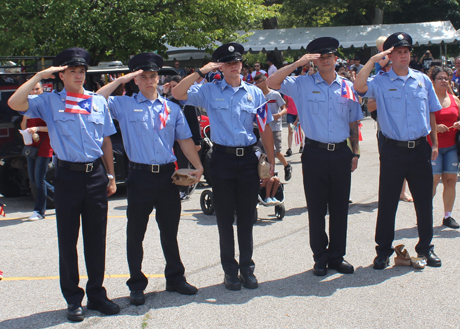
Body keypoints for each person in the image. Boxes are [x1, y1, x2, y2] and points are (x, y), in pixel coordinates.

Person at [8, 47, 119, 322]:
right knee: (68, 240)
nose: (79, 76)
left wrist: (111, 175)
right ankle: (73, 299)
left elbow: (106, 140)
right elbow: (14, 102)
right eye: (73, 71)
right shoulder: (48, 101)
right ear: (61, 75)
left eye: (82, 71)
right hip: (67, 175)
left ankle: (97, 294)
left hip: (95, 175)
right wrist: (40, 75)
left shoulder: (97, 102)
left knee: (96, 239)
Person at [96, 53, 203, 305]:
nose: (149, 81)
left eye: (152, 76)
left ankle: (175, 278)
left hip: (167, 177)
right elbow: (95, 98)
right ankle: (136, 284)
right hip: (139, 176)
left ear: (158, 78)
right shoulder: (123, 104)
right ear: (135, 80)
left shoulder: (171, 107)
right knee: (136, 233)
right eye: (142, 77)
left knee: (170, 231)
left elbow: (184, 140)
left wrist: (198, 166)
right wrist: (123, 78)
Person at [171, 43, 275, 291]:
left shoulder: (255, 93)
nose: (233, 65)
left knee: (248, 217)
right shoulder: (208, 90)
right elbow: (177, 93)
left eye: (237, 61)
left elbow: (265, 128)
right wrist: (200, 71)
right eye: (228, 62)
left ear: (241, 64)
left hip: (248, 159)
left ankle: (247, 268)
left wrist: (271, 160)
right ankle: (230, 270)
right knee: (225, 218)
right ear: (220, 66)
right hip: (222, 160)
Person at [267, 37, 363, 276]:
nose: (326, 60)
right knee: (317, 208)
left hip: (341, 152)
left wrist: (355, 152)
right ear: (314, 61)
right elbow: (272, 81)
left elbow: (353, 121)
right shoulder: (302, 83)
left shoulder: (347, 86)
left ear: (336, 58)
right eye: (320, 57)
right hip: (315, 152)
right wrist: (296, 63)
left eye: (329, 56)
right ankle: (320, 256)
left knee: (340, 207)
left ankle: (337, 256)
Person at [354, 32, 442, 270]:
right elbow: (359, 87)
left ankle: (426, 248)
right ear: (389, 56)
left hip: (419, 148)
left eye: (406, 52)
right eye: (398, 52)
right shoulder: (381, 81)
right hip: (393, 149)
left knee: (424, 202)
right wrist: (373, 61)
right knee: (388, 202)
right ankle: (383, 251)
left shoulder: (422, 80)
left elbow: (432, 111)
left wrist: (434, 142)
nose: (404, 56)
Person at [430, 67, 460, 229]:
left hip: (452, 147)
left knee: (451, 182)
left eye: (446, 78)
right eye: (440, 78)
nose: (444, 81)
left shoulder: (455, 99)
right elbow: (420, 121)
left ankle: (448, 216)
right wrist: (435, 127)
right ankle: (426, 215)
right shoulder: (428, 100)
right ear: (433, 81)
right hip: (433, 147)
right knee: (432, 184)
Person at [20, 82, 53, 221]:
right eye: (32, 89)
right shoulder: (28, 107)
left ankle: (39, 211)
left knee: (39, 179)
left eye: (37, 89)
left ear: (42, 90)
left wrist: (37, 129)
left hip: (44, 145)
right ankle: (65, 197)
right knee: (34, 179)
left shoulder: (46, 106)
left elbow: (53, 127)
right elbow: (23, 125)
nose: (34, 91)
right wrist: (25, 119)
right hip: (32, 145)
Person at [254, 73, 292, 181]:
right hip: (264, 128)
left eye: (259, 82)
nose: (257, 84)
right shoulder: (257, 96)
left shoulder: (275, 95)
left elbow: (284, 108)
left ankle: (286, 166)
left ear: (265, 81)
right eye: (255, 83)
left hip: (275, 127)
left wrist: (279, 114)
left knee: (277, 152)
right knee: (264, 151)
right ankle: (267, 174)